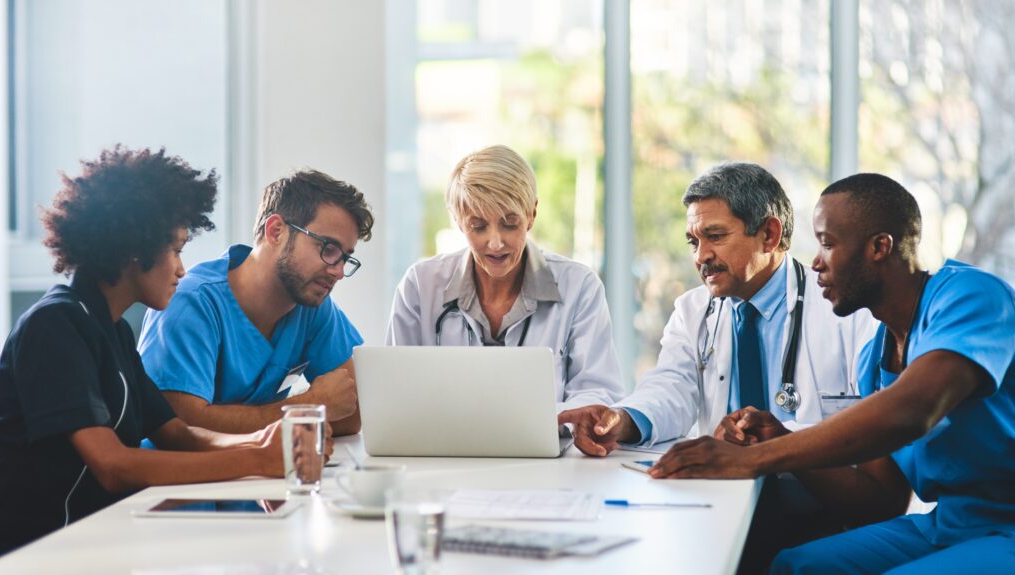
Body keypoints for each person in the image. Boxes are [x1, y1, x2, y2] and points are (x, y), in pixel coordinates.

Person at [652, 173, 1015, 574]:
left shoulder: (971, 297)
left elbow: (913, 409)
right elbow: (879, 501)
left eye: (827, 243)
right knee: (796, 566)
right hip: (948, 525)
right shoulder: (874, 358)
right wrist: (784, 441)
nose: (816, 261)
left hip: (1008, 530)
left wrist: (753, 459)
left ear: (880, 247)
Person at [558, 163, 877, 571]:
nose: (701, 256)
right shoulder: (694, 311)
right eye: (693, 241)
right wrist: (620, 419)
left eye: (715, 236)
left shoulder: (844, 310)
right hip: (726, 503)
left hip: (819, 506)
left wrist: (772, 437)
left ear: (769, 234)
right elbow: (671, 388)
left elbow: (866, 434)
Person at [0, 147, 304, 558]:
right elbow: (114, 466)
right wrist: (255, 461)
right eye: (175, 249)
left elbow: (175, 432)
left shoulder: (114, 331)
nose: (181, 269)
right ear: (133, 249)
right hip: (36, 557)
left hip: (98, 549)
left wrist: (260, 443)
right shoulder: (55, 326)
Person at [386, 145, 624, 410]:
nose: (496, 243)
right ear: (457, 221)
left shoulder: (579, 287)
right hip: (443, 448)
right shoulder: (420, 286)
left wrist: (551, 420)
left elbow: (598, 393)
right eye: (478, 227)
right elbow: (398, 392)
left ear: (532, 215)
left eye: (510, 224)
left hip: (546, 449)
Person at [138, 169, 373, 434]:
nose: (338, 272)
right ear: (275, 231)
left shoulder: (312, 307)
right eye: (328, 249)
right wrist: (308, 407)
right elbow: (182, 427)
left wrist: (305, 411)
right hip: (189, 475)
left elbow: (350, 412)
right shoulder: (191, 303)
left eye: (345, 258)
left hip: (264, 473)